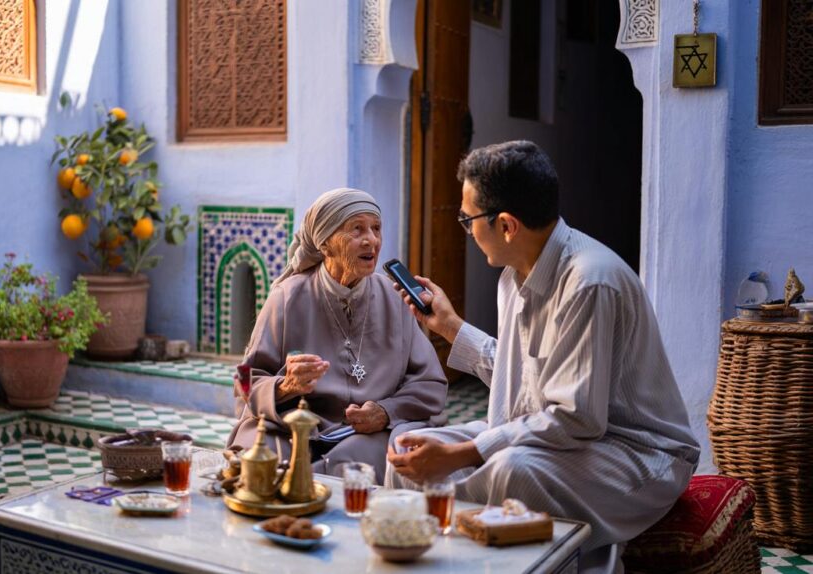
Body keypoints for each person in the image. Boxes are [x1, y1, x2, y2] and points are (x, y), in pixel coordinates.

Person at [385, 141, 699, 571]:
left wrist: (467, 454)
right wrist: (449, 326)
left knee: (510, 469)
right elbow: (527, 382)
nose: (467, 230)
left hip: (635, 452)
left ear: (507, 225)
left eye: (467, 219)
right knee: (409, 449)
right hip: (563, 439)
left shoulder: (590, 282)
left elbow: (577, 416)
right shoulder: (514, 278)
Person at [227, 188, 448, 483]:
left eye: (376, 228)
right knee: (264, 461)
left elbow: (430, 383)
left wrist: (385, 411)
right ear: (325, 244)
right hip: (296, 427)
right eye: (357, 229)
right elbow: (245, 383)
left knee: (372, 458)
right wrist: (285, 386)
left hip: (368, 433)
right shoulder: (287, 298)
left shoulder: (395, 299)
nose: (371, 239)